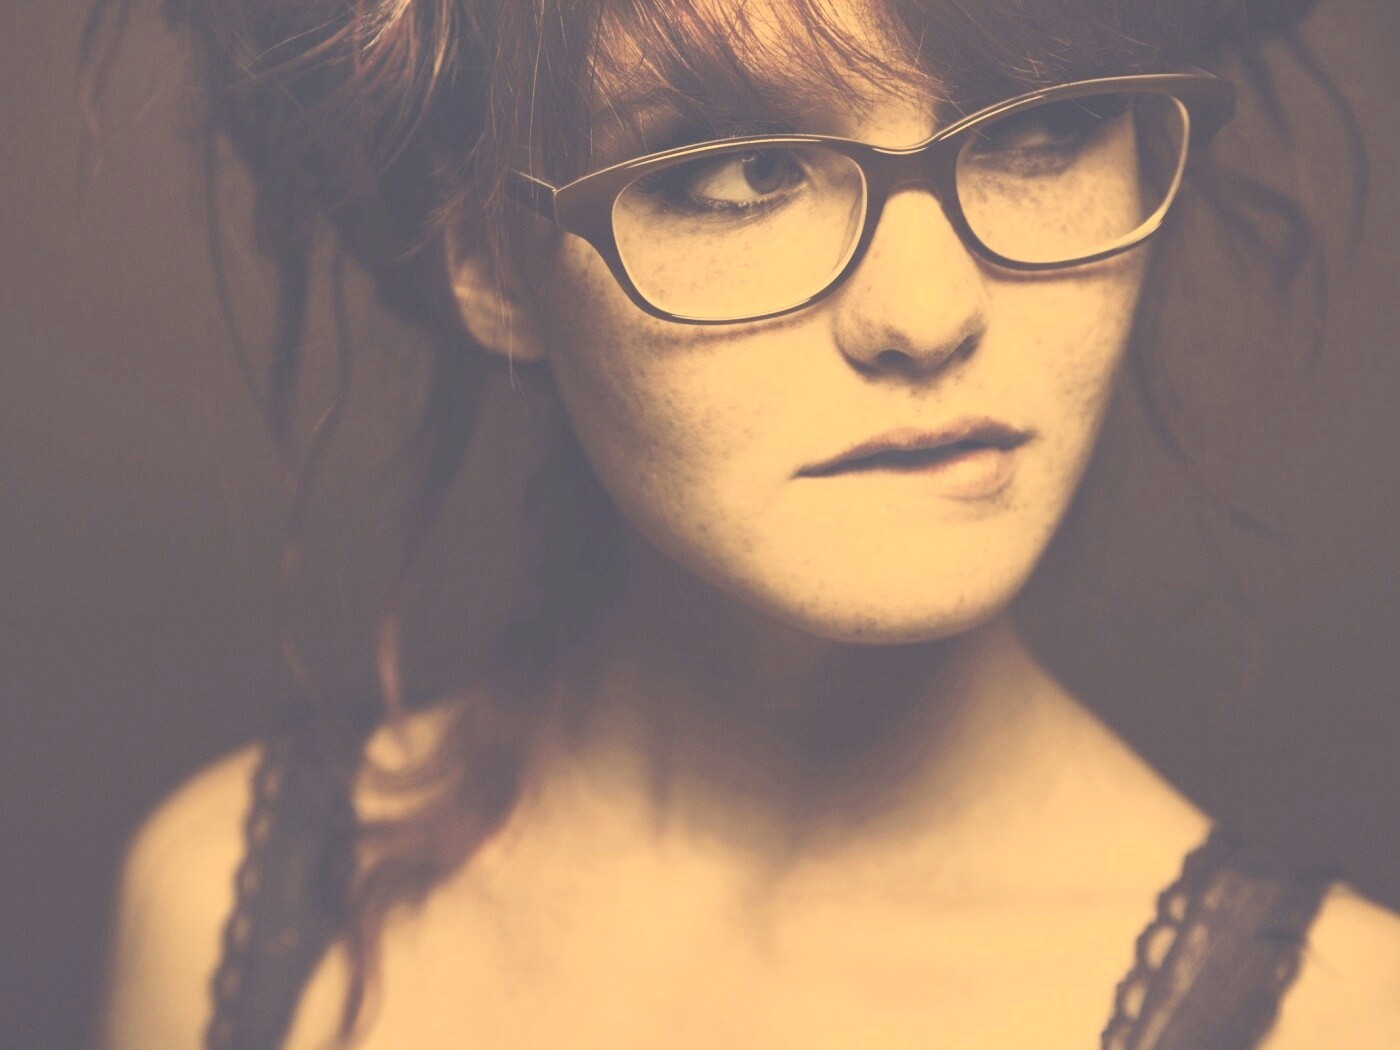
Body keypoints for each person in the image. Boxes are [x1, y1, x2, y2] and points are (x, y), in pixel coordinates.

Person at [93, 0, 1400, 1047]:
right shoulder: (220, 912)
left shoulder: (1343, 1020)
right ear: (492, 254)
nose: (929, 312)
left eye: (1045, 124)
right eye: (747, 169)